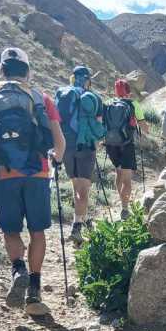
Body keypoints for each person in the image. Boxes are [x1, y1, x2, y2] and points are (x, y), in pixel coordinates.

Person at [0, 47, 65, 313]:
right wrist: (56, 159)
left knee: (10, 230)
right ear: (28, 70)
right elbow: (59, 141)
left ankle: (18, 268)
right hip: (37, 171)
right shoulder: (40, 97)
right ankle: (34, 289)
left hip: (3, 172)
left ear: (1, 69)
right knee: (37, 231)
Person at [55, 66, 105, 242]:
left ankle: (83, 219)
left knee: (76, 186)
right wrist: (96, 145)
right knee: (83, 189)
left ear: (73, 78)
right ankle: (77, 226)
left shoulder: (62, 94)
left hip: (67, 145)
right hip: (85, 147)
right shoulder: (94, 98)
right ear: (88, 80)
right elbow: (98, 126)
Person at [102, 78, 148, 220]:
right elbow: (144, 126)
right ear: (128, 90)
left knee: (118, 172)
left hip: (111, 144)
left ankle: (122, 199)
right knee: (127, 179)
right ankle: (125, 208)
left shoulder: (108, 103)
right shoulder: (133, 104)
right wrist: (146, 130)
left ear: (115, 91)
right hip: (126, 144)